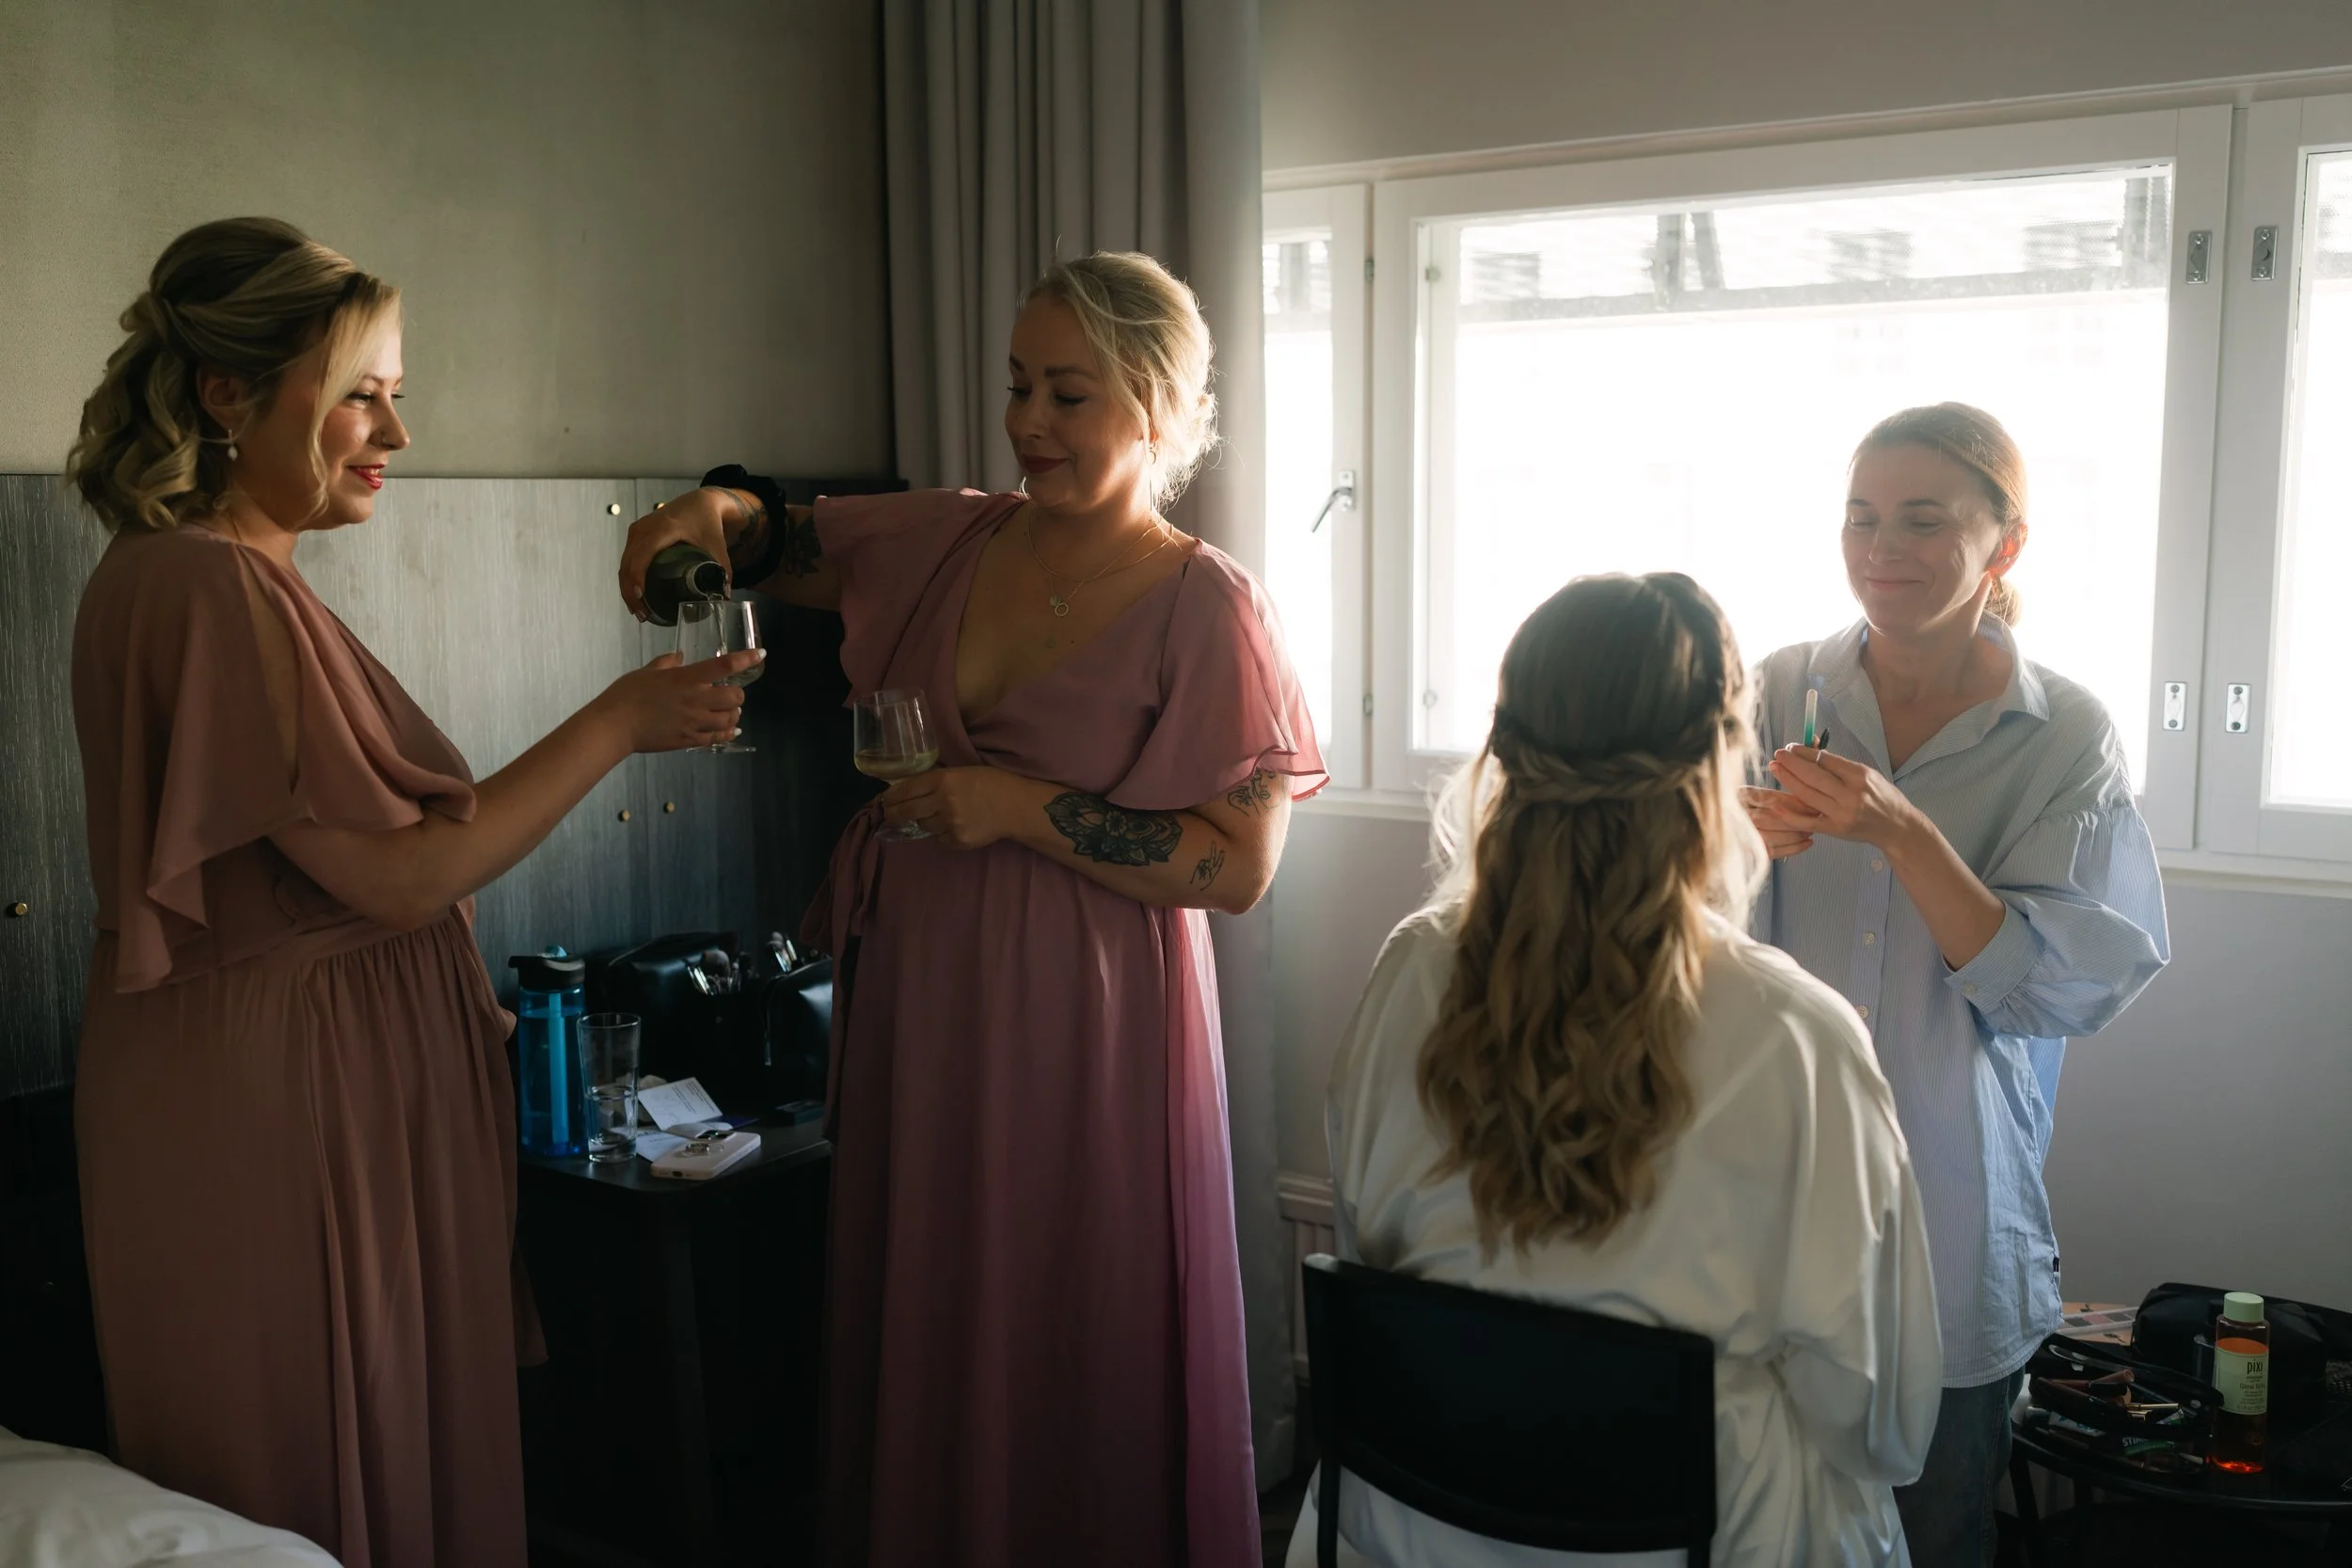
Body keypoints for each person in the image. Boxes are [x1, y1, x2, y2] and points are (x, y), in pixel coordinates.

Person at [616, 251, 1325, 1567]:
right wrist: (696, 509)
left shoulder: (1207, 603)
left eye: (1068, 393)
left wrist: (1017, 807)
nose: (1028, 424)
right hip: (924, 987)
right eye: (1016, 387)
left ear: (1159, 405)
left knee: (1073, 1307)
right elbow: (772, 535)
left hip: (1092, 1015)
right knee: (933, 1295)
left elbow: (1237, 865)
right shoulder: (950, 535)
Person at [66, 216, 755, 1566]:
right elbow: (403, 873)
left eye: (394, 392)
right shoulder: (207, 587)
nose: (394, 431)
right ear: (227, 392)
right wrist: (621, 721)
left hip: (305, 1081)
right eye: (361, 394)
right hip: (288, 1106)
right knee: (321, 1462)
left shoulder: (215, 580)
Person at [1306, 572, 1942, 1568]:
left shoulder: (1406, 973)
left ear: (1504, 747)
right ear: (1718, 762)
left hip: (1412, 1524)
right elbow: (1882, 1421)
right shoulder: (1796, 1039)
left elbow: (1369, 1247)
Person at [1743, 403, 2169, 1568]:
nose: (1881, 547)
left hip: (1950, 1211)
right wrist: (1732, 845)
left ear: (2006, 544)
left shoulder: (2062, 736)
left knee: (1933, 1534)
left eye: (1923, 519)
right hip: (1766, 1192)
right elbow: (1692, 938)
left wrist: (1902, 832)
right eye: (1861, 517)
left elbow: (2062, 990)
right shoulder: (1781, 688)